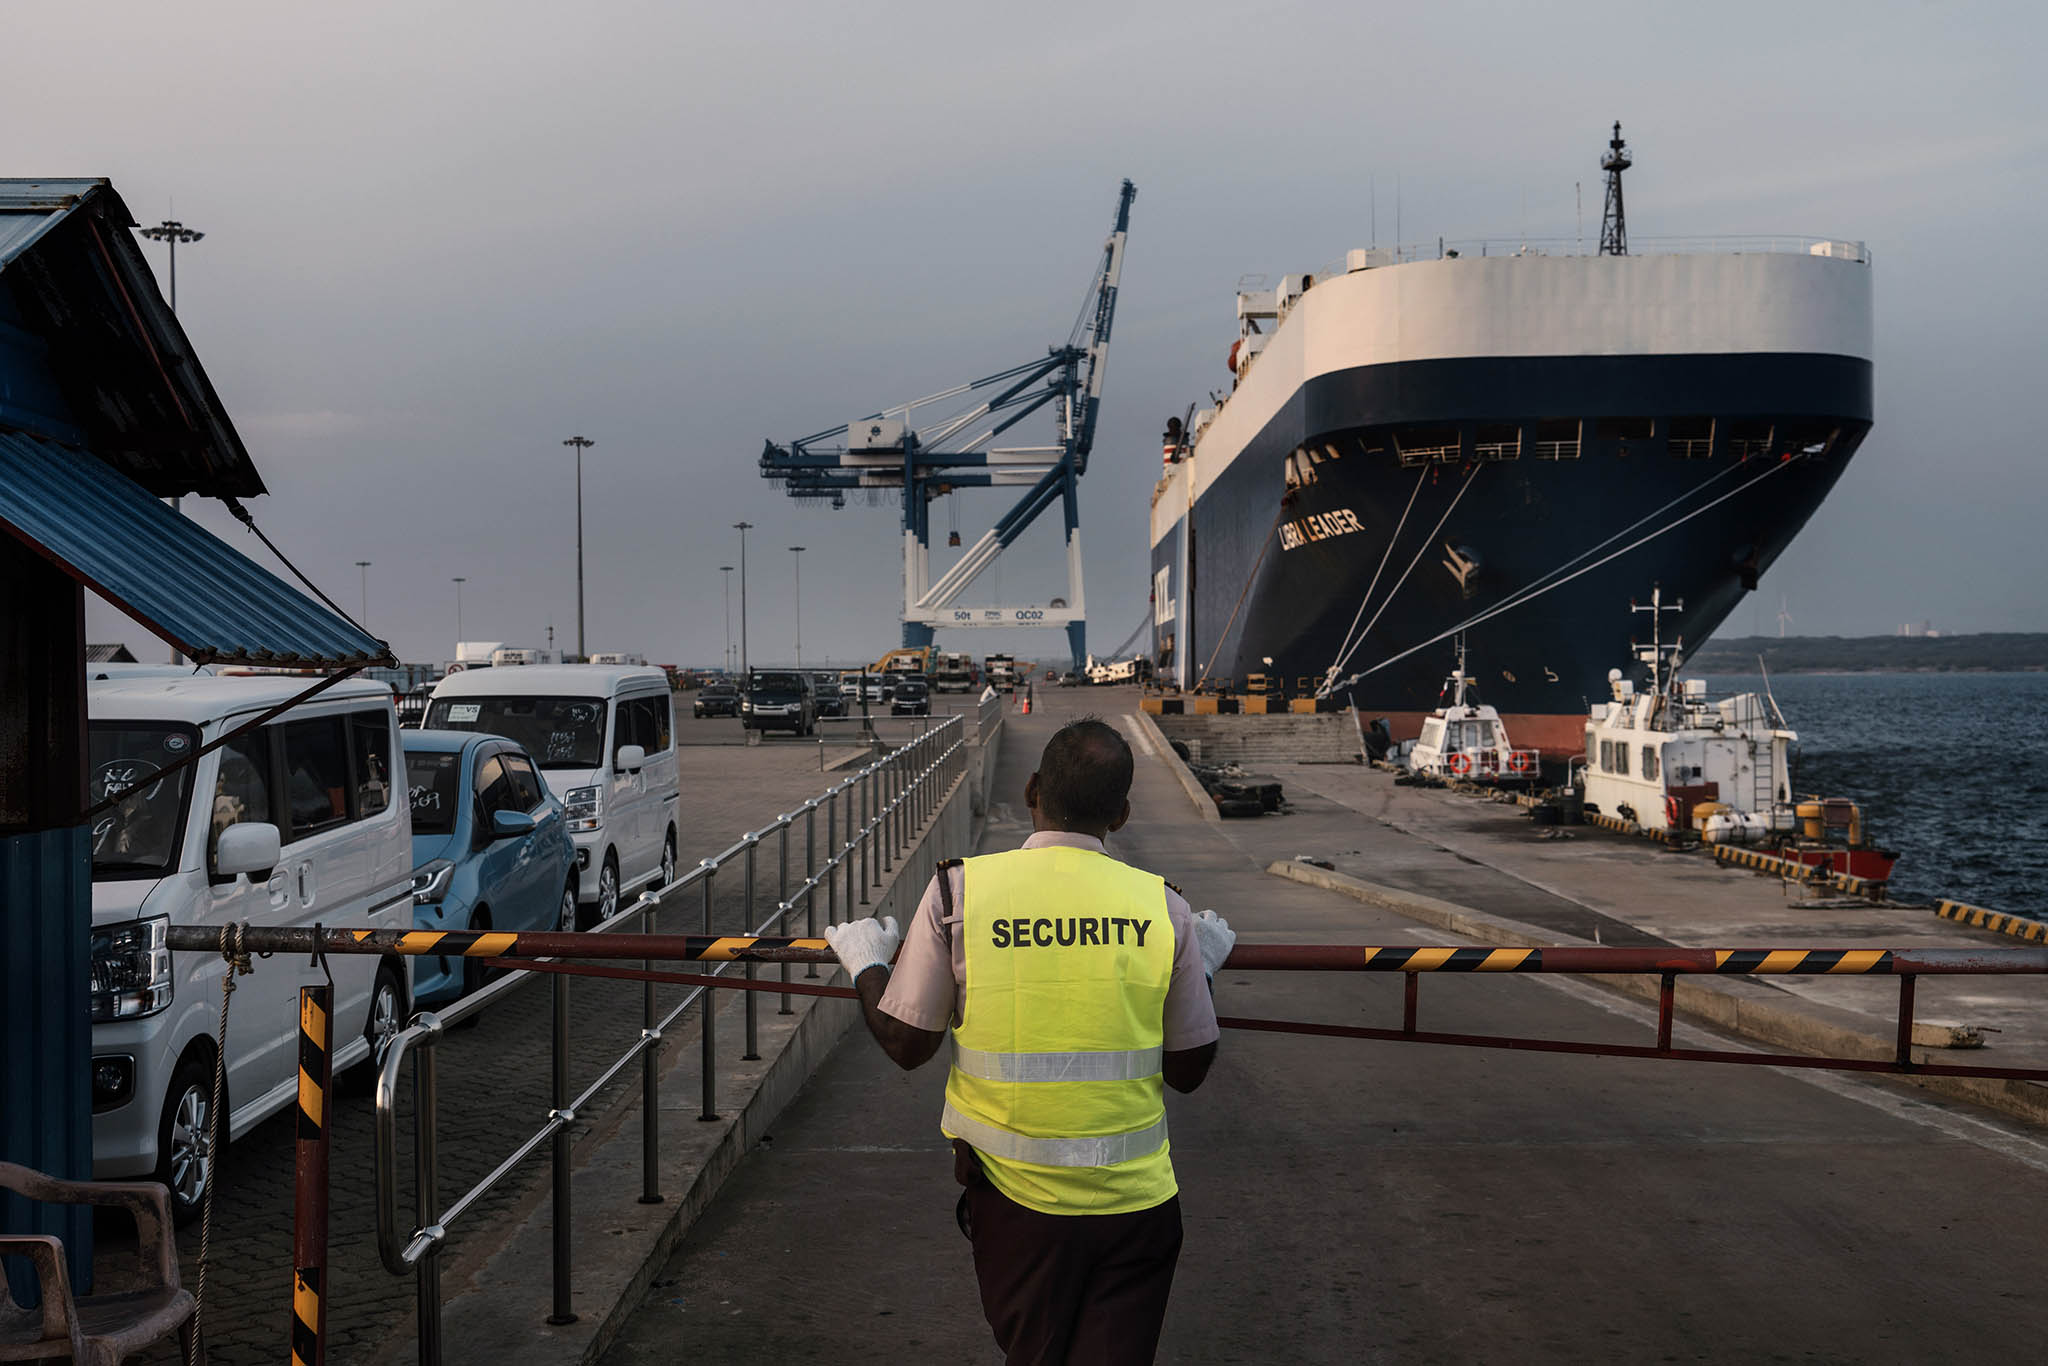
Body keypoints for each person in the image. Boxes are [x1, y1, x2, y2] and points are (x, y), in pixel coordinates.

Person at [824, 718, 1236, 1365]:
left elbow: (907, 1043)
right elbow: (1188, 1068)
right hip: (1137, 1207)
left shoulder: (960, 892)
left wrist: (866, 960)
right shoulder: (1165, 910)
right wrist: (1202, 967)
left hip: (1019, 1210)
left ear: (1032, 790)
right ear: (1122, 814)